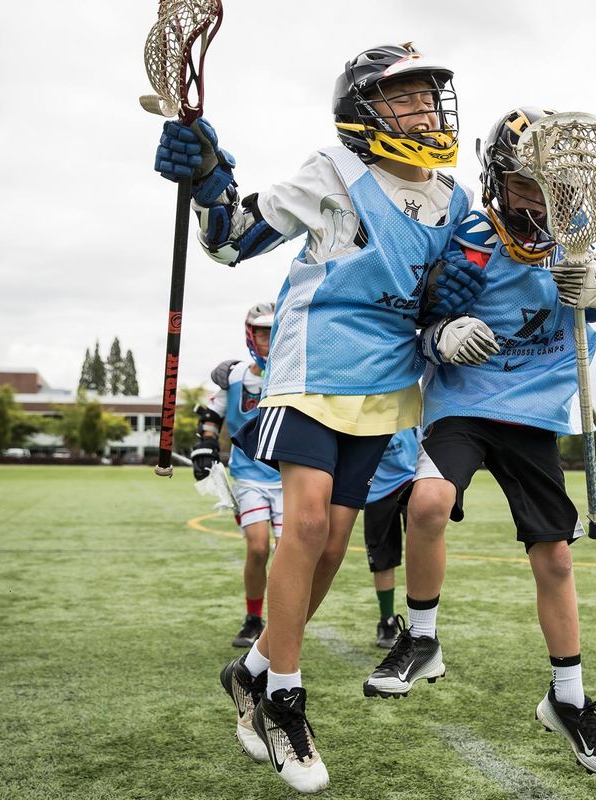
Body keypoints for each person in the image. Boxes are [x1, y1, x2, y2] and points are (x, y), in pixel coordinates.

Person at [155, 43, 494, 794]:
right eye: (404, 98)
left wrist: (447, 332)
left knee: (335, 541)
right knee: (304, 527)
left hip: (384, 387)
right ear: (366, 110)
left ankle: (248, 670)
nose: (424, 111)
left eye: (429, 97)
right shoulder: (333, 173)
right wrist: (209, 180)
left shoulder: (455, 201)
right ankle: (283, 700)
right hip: (313, 367)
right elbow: (232, 238)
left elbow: (447, 301)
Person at [361, 107, 596, 781]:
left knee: (556, 561)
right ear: (499, 180)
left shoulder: (576, 232)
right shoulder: (468, 234)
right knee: (427, 502)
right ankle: (421, 640)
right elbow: (419, 315)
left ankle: (566, 698)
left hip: (535, 413)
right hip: (465, 402)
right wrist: (441, 334)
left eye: (551, 186)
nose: (540, 200)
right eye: (527, 184)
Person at [192, 303, 281, 650]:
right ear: (250, 335)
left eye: (273, 332)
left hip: (288, 477)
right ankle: (253, 619)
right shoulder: (232, 375)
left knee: (288, 552)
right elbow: (210, 416)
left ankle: (282, 622)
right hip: (247, 477)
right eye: (261, 332)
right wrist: (206, 445)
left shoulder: (292, 371)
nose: (267, 340)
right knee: (258, 547)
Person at [363, 427, 418, 648]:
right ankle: (387, 620)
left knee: (420, 548)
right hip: (376, 489)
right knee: (382, 558)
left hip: (411, 477)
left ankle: (421, 624)